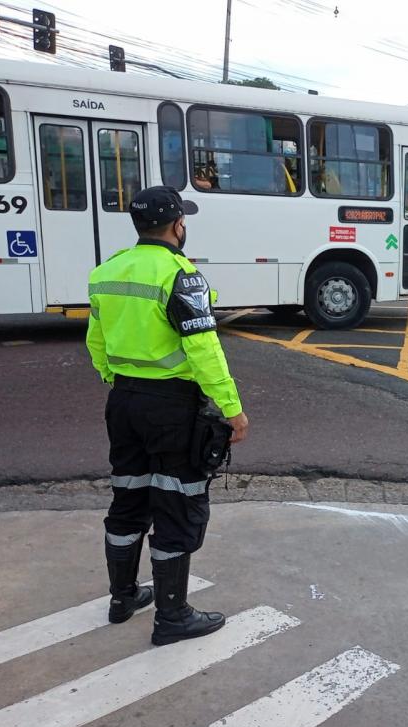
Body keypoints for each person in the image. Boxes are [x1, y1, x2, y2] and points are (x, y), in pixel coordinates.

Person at [86, 186, 249, 646]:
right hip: (171, 407)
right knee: (177, 501)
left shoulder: (106, 272)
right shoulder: (182, 276)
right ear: (178, 224)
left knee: (129, 497)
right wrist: (232, 409)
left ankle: (123, 598)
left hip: (123, 402)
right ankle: (172, 617)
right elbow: (204, 350)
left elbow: (96, 341)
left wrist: (115, 379)